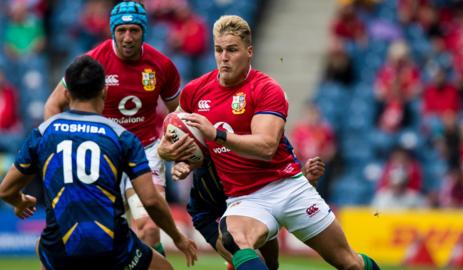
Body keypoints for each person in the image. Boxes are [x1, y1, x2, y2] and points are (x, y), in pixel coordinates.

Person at [177, 15, 381, 270]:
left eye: (232, 50)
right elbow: (175, 135)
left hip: (288, 187)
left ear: (249, 52)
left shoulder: (266, 89)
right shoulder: (194, 91)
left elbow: (266, 147)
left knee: (349, 263)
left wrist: (216, 134)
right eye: (219, 50)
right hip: (245, 198)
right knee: (233, 239)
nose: (224, 57)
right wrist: (178, 158)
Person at [0, 55, 197, 270]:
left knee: (43, 247)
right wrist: (178, 237)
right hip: (112, 249)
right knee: (164, 268)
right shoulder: (121, 137)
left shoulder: (43, 133)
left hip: (60, 249)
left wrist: (20, 202)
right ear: (105, 91)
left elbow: (6, 190)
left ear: (66, 93)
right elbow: (150, 201)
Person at [43, 1, 190, 255]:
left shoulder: (162, 65)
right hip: (102, 155)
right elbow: (53, 105)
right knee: (98, 235)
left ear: (145, 31)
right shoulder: (92, 62)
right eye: (121, 30)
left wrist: (175, 147)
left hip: (145, 152)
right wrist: (57, 147)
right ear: (112, 31)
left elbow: (178, 114)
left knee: (149, 228)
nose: (128, 37)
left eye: (134, 30)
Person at [159, 136, 325, 270]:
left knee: (272, 264)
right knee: (239, 254)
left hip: (255, 203)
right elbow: (180, 144)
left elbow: (286, 191)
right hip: (210, 212)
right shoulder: (216, 146)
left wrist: (305, 178)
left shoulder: (267, 143)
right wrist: (180, 161)